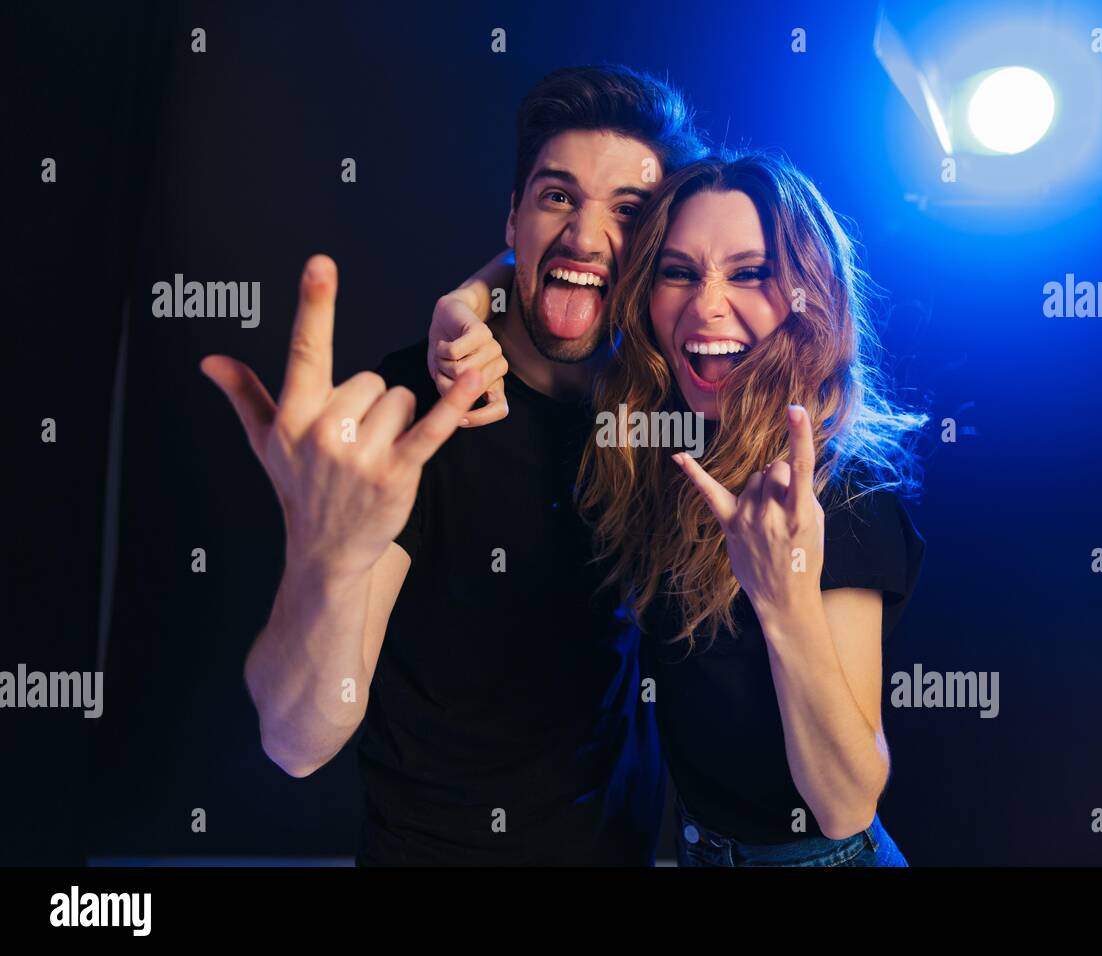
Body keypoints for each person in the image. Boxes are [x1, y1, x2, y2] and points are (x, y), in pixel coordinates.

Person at [201, 65, 708, 865]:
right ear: (513, 220)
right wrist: (324, 563)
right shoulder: (413, 411)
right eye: (557, 197)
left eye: (629, 210)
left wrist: (473, 294)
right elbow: (296, 741)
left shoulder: (658, 407)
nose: (583, 236)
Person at [573, 151, 929, 866]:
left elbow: (848, 801)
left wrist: (785, 597)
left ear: (808, 294)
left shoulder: (841, 489)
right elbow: (560, 266)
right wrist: (461, 304)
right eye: (678, 272)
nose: (706, 304)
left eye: (748, 273)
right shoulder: (658, 441)